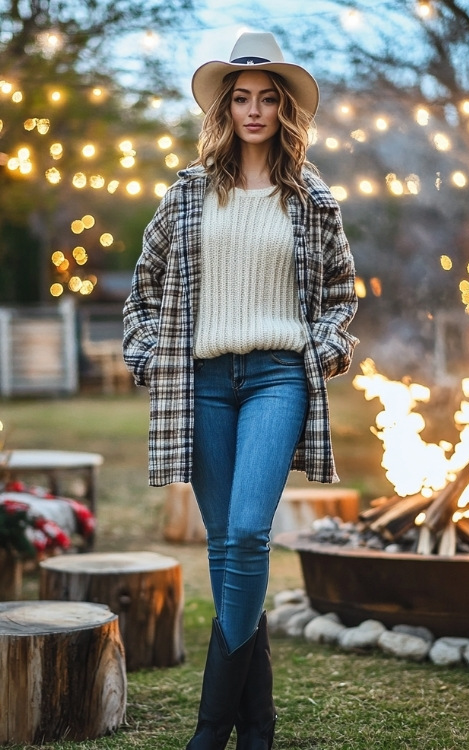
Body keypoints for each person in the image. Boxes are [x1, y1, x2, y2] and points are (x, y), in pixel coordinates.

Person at [123, 31, 358, 750]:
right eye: (241, 98)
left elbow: (342, 297)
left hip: (277, 377)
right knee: (225, 546)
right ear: (226, 110)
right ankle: (257, 725)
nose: (254, 110)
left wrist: (321, 349)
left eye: (266, 99)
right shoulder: (187, 193)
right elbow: (142, 291)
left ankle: (209, 726)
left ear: (284, 111)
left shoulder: (312, 197)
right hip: (200, 383)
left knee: (251, 532)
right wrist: (146, 357)